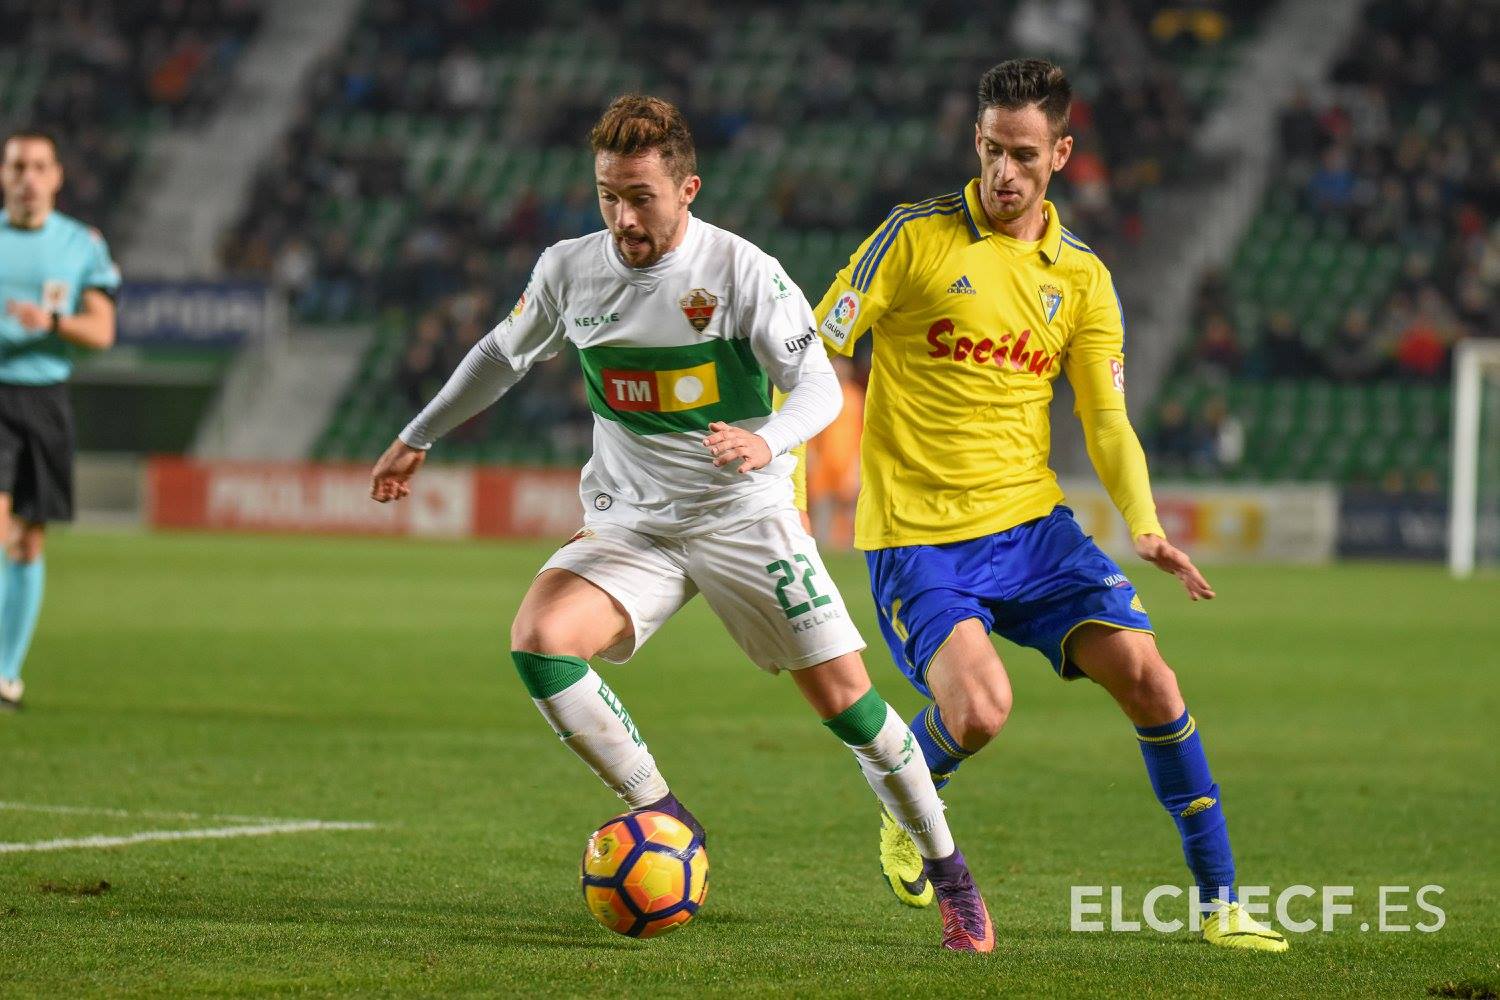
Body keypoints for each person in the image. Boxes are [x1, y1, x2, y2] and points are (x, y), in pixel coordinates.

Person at [369, 95, 994, 951]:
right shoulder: (569, 270)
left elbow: (818, 386)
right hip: (634, 523)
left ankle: (951, 873)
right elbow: (498, 355)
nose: (623, 217)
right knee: (541, 639)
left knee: (849, 705)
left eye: (641, 196)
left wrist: (763, 437)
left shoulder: (741, 271)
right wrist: (417, 436)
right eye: (607, 196)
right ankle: (661, 812)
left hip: (745, 515)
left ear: (687, 188)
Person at [803, 59, 1287, 952]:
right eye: (991, 149)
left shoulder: (1085, 279)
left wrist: (1144, 524)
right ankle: (912, 803)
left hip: (1032, 529)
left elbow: (1107, 419)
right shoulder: (912, 238)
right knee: (981, 711)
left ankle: (1221, 905)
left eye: (1024, 154)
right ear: (975, 142)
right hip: (920, 537)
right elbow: (815, 342)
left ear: (1061, 152)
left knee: (1151, 677)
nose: (1003, 172)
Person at [0, 130, 120, 711]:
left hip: (45, 398)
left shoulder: (80, 246)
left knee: (27, 542)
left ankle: (6, 676)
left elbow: (100, 331)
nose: (28, 178)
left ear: (57, 177)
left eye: (39, 167)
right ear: (4, 175)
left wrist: (48, 322)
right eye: (17, 166)